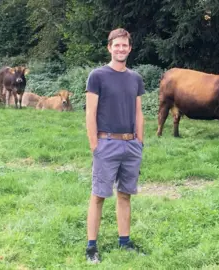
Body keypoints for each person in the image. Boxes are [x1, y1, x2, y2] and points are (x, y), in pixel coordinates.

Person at [84, 28, 145, 263]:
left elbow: (139, 113)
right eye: (116, 45)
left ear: (129, 48)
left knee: (125, 195)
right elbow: (90, 113)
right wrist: (95, 145)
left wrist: (140, 141)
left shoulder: (135, 78)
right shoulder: (97, 76)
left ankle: (125, 241)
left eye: (125, 45)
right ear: (109, 48)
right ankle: (91, 247)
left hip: (131, 145)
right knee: (99, 195)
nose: (121, 49)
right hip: (106, 143)